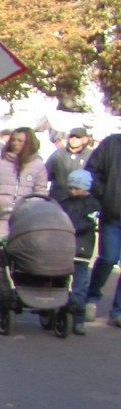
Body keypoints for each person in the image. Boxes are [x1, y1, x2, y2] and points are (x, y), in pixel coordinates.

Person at [0, 127, 48, 247]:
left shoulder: (38, 165)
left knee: (18, 252)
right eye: (13, 140)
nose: (15, 143)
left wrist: (30, 206)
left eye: (20, 141)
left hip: (24, 220)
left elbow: (41, 192)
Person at [82, 129, 121, 327]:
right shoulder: (111, 143)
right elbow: (92, 171)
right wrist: (103, 195)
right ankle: (91, 296)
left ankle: (118, 311)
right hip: (113, 213)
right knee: (108, 258)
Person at [58, 169, 101, 334]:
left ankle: (78, 318)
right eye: (70, 188)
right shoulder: (63, 203)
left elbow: (90, 223)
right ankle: (58, 311)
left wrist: (72, 228)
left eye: (76, 188)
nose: (73, 191)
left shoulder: (93, 205)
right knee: (60, 281)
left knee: (80, 286)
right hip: (64, 248)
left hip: (82, 249)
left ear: (85, 188)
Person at [49, 125, 94, 191]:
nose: (74, 139)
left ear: (85, 139)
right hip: (60, 194)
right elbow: (46, 174)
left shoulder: (91, 155)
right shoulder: (59, 154)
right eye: (71, 137)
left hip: (83, 195)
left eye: (77, 137)